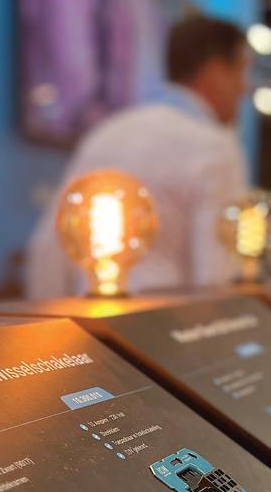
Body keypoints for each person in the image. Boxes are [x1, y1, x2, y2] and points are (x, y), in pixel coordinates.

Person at [23, 16, 250, 298]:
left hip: (87, 313)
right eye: (241, 71)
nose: (244, 88)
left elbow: (48, 254)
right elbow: (216, 276)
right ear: (215, 71)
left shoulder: (107, 132)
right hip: (170, 319)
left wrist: (51, 320)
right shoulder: (215, 148)